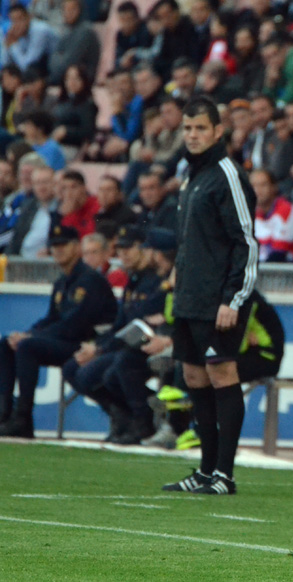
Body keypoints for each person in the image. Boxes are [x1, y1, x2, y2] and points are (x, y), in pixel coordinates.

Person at [161, 96, 257, 496]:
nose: (193, 135)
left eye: (200, 128)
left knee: (222, 374)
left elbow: (246, 243)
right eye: (187, 128)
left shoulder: (227, 174)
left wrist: (232, 299)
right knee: (194, 376)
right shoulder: (191, 175)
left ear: (218, 131)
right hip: (190, 296)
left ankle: (225, 474)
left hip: (219, 300)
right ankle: (204, 471)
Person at [0, 224, 117, 437]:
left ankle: (23, 418)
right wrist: (26, 332)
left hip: (85, 343)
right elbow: (52, 318)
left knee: (28, 346)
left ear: (76, 248)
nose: (58, 250)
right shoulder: (63, 281)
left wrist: (31, 336)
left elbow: (75, 325)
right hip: (66, 340)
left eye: (63, 245)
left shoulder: (90, 280)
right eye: (54, 246)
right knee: (7, 343)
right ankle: (4, 413)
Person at [62, 225, 166, 443]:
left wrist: (100, 349)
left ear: (145, 249)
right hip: (123, 345)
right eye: (120, 249)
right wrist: (95, 345)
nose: (123, 254)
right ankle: (122, 416)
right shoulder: (134, 281)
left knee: (103, 371)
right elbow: (120, 325)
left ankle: (143, 419)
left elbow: (138, 326)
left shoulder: (156, 281)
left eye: (129, 248)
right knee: (72, 368)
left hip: (144, 347)